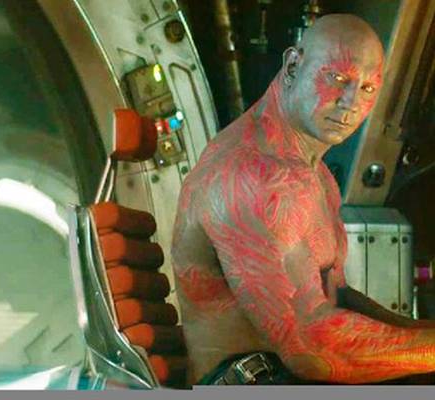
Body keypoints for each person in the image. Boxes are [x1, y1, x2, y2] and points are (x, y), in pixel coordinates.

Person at [171, 14, 435, 385]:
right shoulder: (254, 174)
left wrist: (422, 336)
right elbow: (310, 349)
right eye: (337, 78)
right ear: (293, 64)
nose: (350, 103)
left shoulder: (315, 174)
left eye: (367, 88)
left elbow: (336, 298)